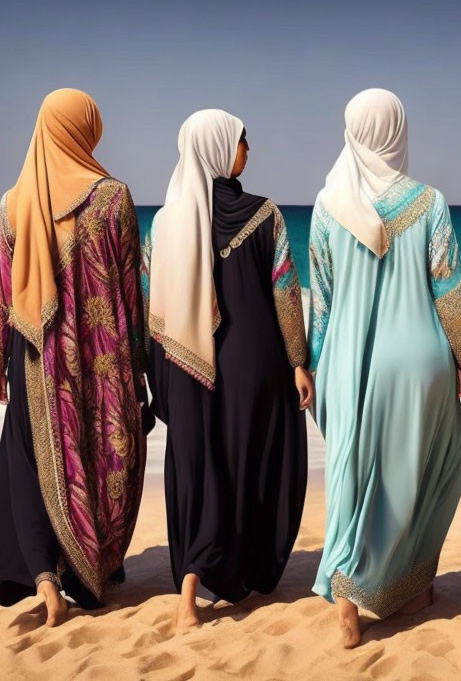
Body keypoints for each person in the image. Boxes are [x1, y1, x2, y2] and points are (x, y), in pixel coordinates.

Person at [308, 88, 461, 648]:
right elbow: (450, 291)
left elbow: (324, 302)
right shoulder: (429, 202)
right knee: (430, 468)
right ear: (398, 131)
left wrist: (312, 365)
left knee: (353, 479)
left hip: (350, 361)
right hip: (419, 361)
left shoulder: (328, 205)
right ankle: (413, 586)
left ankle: (351, 601)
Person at [0, 89, 148, 626]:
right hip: (104, 361)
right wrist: (140, 364)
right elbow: (130, 289)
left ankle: (47, 580)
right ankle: (88, 573)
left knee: (33, 464)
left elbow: (5, 294)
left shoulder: (13, 203)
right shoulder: (114, 198)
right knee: (101, 459)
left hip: (35, 362)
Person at [144, 109, 311, 632]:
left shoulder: (166, 221)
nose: (248, 149)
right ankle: (246, 569)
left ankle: (192, 587)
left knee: (203, 468)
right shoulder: (265, 215)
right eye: (242, 140)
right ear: (218, 148)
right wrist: (299, 361)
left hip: (188, 365)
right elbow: (285, 293)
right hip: (253, 363)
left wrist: (159, 375)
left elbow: (153, 306)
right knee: (252, 463)